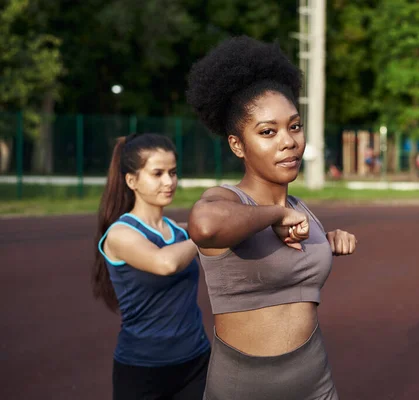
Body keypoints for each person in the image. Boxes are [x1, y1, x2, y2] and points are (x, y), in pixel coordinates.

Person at [185, 36, 358, 400]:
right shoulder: (226, 199)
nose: (289, 141)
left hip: (316, 382)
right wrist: (276, 213)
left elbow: (291, 270)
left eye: (294, 126)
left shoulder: (301, 207)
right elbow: (203, 226)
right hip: (242, 389)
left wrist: (328, 241)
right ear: (237, 144)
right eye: (268, 132)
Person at [92, 133, 211, 400]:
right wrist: (202, 235)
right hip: (143, 370)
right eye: (157, 173)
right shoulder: (120, 234)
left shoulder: (178, 232)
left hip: (196, 360)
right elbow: (165, 262)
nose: (169, 182)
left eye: (173, 172)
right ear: (131, 180)